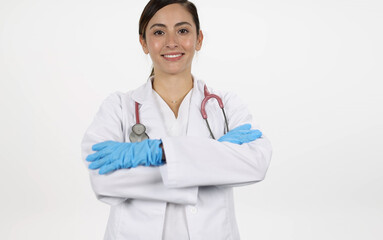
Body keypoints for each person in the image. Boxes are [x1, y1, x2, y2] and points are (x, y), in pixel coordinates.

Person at [81, 0, 272, 239]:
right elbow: (103, 181)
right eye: (159, 32)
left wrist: (160, 153)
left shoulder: (226, 105)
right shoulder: (118, 107)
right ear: (144, 43)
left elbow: (256, 163)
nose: (172, 42)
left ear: (199, 39)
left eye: (182, 30)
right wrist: (213, 160)